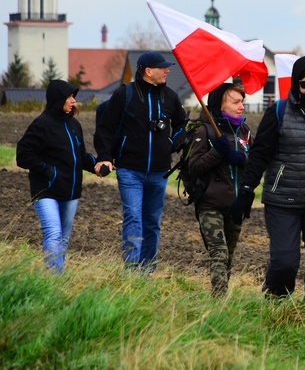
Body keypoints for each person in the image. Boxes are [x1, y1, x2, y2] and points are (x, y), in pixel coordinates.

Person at [231, 55, 305, 299]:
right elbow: (260, 155)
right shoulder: (278, 111)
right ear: (295, 84)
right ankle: (276, 304)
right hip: (283, 201)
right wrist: (247, 189)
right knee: (285, 263)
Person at [94, 50, 187, 273]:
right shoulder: (125, 94)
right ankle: (132, 270)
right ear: (148, 71)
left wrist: (172, 145)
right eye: (162, 67)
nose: (167, 71)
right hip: (129, 170)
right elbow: (104, 128)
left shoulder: (171, 97)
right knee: (133, 218)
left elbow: (184, 126)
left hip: (159, 172)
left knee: (152, 222)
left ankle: (147, 270)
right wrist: (105, 157)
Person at [16, 79, 99, 274]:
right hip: (46, 190)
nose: (73, 101)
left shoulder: (74, 125)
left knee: (63, 238)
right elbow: (23, 155)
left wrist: (97, 164)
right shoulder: (41, 124)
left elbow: (80, 156)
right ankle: (53, 279)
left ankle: (57, 280)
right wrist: (48, 171)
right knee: (53, 233)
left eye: (74, 97)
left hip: (71, 192)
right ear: (57, 99)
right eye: (70, 97)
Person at [188, 83, 251, 296]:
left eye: (242, 101)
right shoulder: (205, 130)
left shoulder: (245, 132)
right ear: (220, 105)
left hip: (236, 206)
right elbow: (194, 166)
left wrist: (242, 157)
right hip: (210, 205)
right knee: (219, 253)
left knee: (229, 256)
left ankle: (221, 300)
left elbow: (257, 162)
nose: (241, 106)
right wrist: (218, 152)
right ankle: (219, 300)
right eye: (235, 102)